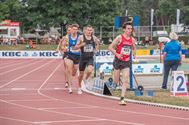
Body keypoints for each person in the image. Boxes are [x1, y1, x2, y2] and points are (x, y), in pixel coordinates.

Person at [108, 22, 136, 105]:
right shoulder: (119, 37)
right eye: (128, 28)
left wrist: (134, 54)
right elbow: (110, 47)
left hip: (126, 61)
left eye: (131, 29)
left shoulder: (132, 39)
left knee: (126, 79)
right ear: (124, 29)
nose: (129, 30)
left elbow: (134, 47)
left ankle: (122, 98)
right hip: (118, 60)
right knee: (115, 81)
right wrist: (117, 54)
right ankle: (114, 84)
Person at [75, 25, 99, 94]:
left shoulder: (94, 38)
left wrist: (96, 51)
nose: (89, 31)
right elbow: (76, 47)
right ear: (85, 30)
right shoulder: (81, 37)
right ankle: (79, 87)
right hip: (82, 58)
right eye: (88, 30)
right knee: (80, 75)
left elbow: (97, 44)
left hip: (90, 57)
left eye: (90, 30)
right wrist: (81, 45)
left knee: (89, 70)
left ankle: (86, 79)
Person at [61, 24, 80, 94]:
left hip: (77, 56)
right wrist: (64, 48)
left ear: (77, 30)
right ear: (71, 30)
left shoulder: (80, 37)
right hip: (69, 55)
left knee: (74, 72)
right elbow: (62, 46)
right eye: (73, 29)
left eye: (76, 29)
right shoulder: (67, 38)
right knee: (69, 69)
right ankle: (70, 87)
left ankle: (70, 80)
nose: (74, 30)